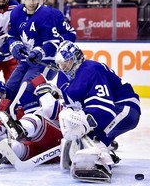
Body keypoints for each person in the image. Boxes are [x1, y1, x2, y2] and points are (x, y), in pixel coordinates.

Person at [52, 41, 141, 182]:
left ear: (76, 58)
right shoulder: (63, 76)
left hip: (125, 107)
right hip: (111, 108)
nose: (64, 67)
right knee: (81, 131)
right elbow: (74, 106)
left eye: (67, 62)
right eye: (61, 64)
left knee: (95, 138)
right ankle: (105, 147)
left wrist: (86, 124)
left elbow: (105, 110)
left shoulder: (91, 69)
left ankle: (102, 160)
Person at [5, 0, 75, 114]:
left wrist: (41, 51)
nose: (31, 2)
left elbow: (67, 35)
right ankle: (11, 118)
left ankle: (34, 124)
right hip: (27, 60)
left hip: (46, 61)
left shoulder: (49, 14)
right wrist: (15, 45)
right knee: (9, 89)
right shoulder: (16, 13)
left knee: (27, 90)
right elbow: (12, 35)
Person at [0, 76, 63, 164]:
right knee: (14, 147)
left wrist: (44, 91)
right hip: (41, 149)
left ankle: (20, 128)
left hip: (58, 139)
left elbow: (52, 109)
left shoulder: (61, 105)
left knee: (35, 119)